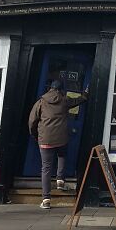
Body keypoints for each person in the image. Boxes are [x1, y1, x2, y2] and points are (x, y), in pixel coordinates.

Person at [28, 80, 87, 210]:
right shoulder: (64, 101)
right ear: (61, 90)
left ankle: (46, 199)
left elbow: (32, 121)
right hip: (61, 138)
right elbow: (77, 101)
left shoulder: (41, 102)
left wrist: (35, 135)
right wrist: (84, 95)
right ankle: (60, 180)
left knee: (46, 168)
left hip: (45, 139)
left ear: (50, 89)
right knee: (62, 155)